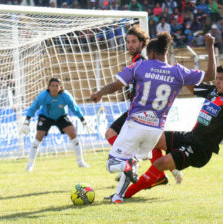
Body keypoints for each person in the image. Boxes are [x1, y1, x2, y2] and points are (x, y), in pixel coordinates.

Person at [91, 31, 216, 203]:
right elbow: (210, 76)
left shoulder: (141, 66)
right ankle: (119, 196)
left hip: (135, 123)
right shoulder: (178, 72)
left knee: (112, 164)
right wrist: (209, 47)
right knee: (133, 157)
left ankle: (127, 166)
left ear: (150, 53)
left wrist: (100, 93)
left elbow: (116, 85)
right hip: (156, 130)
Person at [131, 64, 223, 194]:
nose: (218, 82)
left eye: (222, 79)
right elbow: (194, 88)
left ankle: (124, 194)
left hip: (200, 150)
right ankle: (162, 175)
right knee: (153, 137)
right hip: (189, 136)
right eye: (217, 78)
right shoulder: (213, 91)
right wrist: (182, 75)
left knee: (159, 163)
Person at [105, 26, 174, 188]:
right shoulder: (138, 59)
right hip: (141, 110)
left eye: (134, 41)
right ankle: (158, 173)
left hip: (140, 111)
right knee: (150, 143)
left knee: (111, 134)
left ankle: (132, 164)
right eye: (128, 42)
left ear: (143, 43)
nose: (130, 45)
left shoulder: (143, 61)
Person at [20, 78, 89, 172]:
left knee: (73, 132)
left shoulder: (66, 96)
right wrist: (26, 121)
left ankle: (81, 162)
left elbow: (74, 108)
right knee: (39, 136)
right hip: (45, 116)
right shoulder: (43, 95)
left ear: (60, 87)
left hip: (61, 116)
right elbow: (34, 107)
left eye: (56, 86)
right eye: (52, 85)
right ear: (48, 87)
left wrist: (83, 121)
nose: (54, 88)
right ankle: (30, 165)